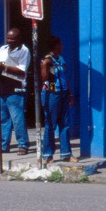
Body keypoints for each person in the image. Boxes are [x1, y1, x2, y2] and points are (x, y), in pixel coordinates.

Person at [0, 28, 30, 155]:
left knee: (17, 118)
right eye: (8, 38)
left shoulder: (24, 51)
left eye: (12, 39)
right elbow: (0, 65)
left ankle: (23, 145)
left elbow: (22, 71)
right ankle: (3, 145)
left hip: (16, 88)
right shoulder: (2, 49)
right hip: (2, 86)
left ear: (19, 39)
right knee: (2, 119)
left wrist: (4, 67)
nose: (9, 40)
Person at [40, 35, 78, 163]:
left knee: (65, 124)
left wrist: (70, 94)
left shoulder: (61, 59)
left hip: (63, 93)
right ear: (55, 46)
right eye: (60, 44)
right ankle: (47, 155)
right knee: (51, 124)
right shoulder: (46, 60)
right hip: (52, 94)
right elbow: (44, 79)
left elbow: (64, 77)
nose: (62, 47)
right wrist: (46, 66)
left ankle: (66, 153)